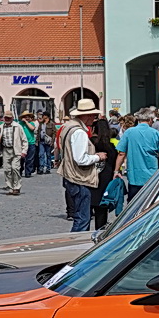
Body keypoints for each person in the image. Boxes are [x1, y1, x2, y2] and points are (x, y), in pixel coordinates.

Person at [54, 99, 102, 233]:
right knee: (82, 219)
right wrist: (98, 157)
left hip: (71, 175)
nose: (94, 118)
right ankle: (75, 243)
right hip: (79, 178)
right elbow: (80, 159)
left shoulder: (68, 127)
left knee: (80, 217)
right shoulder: (79, 132)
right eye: (93, 115)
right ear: (87, 115)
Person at [119, 108, 159, 202]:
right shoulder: (155, 133)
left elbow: (121, 153)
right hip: (151, 175)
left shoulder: (129, 132)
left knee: (133, 202)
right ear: (150, 120)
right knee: (150, 202)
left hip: (134, 176)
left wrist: (116, 170)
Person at [91, 117, 120, 230]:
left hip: (91, 178)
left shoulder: (91, 143)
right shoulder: (111, 146)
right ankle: (100, 232)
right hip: (105, 180)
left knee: (86, 212)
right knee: (101, 211)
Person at [1, 107, 31, 196]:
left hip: (16, 150)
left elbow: (24, 139)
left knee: (15, 168)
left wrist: (24, 151)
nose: (7, 119)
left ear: (12, 118)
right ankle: (10, 187)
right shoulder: (2, 127)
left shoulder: (17, 126)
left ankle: (16, 187)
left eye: (9, 118)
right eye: (6, 117)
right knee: (7, 169)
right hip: (5, 149)